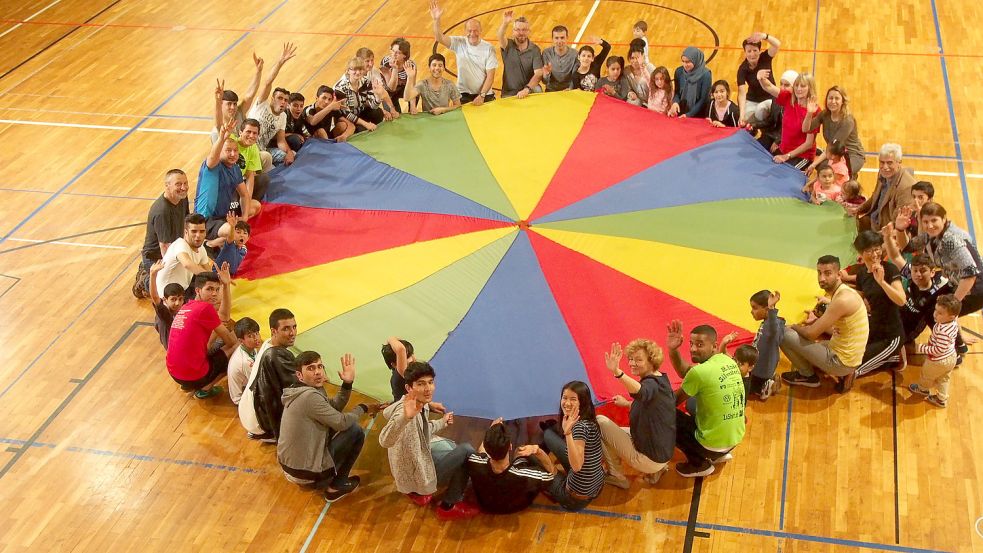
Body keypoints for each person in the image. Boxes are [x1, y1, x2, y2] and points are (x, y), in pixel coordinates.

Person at [379, 362, 479, 521]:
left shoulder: (417, 403)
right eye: (421, 384)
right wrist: (405, 418)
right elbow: (385, 440)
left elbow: (423, 431)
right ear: (409, 388)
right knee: (466, 452)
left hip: (419, 459)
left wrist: (442, 422)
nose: (428, 388)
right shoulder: (405, 413)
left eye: (430, 382)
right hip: (417, 473)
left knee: (455, 448)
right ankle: (449, 506)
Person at [278, 351, 384, 501]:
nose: (317, 372)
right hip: (305, 473)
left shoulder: (300, 390)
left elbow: (333, 407)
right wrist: (363, 407)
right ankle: (336, 486)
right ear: (299, 375)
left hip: (292, 467)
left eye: (320, 366)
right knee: (355, 431)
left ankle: (329, 478)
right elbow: (342, 422)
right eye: (311, 368)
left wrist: (347, 384)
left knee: (340, 427)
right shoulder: (309, 397)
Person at [666, 322, 745, 477]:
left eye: (700, 344)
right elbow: (686, 373)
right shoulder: (728, 361)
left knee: (663, 414)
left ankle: (698, 464)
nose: (693, 349)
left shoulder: (700, 373)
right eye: (691, 344)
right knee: (692, 402)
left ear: (714, 346)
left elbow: (671, 403)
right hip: (734, 440)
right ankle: (719, 455)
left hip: (712, 446)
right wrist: (673, 349)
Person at [780, 255, 870, 392]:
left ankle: (807, 376)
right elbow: (841, 327)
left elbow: (810, 334)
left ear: (839, 274)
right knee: (809, 344)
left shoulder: (842, 300)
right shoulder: (845, 292)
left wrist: (793, 326)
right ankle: (842, 372)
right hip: (844, 351)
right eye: (819, 273)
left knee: (783, 333)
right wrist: (816, 321)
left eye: (827, 273)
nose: (822, 278)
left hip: (841, 361)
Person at [596, 340, 675, 489]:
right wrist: (627, 403)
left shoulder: (650, 385)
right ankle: (657, 470)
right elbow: (650, 404)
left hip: (650, 458)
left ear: (651, 361)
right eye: (631, 359)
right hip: (661, 454)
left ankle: (617, 476)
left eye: (638, 360)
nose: (632, 363)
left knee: (599, 423)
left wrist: (617, 372)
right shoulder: (662, 379)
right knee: (613, 431)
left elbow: (642, 391)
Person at [901, 202, 983, 318]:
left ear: (944, 219)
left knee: (940, 315)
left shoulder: (951, 239)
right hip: (956, 280)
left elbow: (970, 273)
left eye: (934, 220)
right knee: (930, 308)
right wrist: (900, 229)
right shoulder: (932, 235)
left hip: (974, 289)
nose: (930, 226)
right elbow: (908, 247)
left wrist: (952, 303)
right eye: (926, 222)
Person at [166, 270, 237, 399]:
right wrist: (226, 286)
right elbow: (230, 340)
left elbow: (221, 318)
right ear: (198, 290)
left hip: (174, 373)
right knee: (237, 345)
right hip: (192, 375)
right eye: (209, 289)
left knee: (216, 341)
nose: (214, 293)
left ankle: (190, 385)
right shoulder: (205, 308)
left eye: (217, 289)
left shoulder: (187, 306)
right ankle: (205, 387)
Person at [466, 419, 555, 514]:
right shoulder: (524, 475)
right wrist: (537, 450)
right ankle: (522, 425)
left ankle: (521, 425)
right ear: (510, 446)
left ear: (486, 447)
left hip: (486, 505)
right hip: (515, 507)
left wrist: (492, 432)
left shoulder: (473, 460)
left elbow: (481, 452)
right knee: (520, 452)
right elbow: (550, 475)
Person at [541, 381, 604, 510]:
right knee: (548, 433)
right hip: (596, 486)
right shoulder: (589, 420)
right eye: (564, 398)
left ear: (582, 402)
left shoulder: (579, 428)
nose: (567, 403)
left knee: (534, 458)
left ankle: (554, 492)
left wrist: (568, 432)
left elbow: (576, 467)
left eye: (573, 399)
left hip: (574, 499)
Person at [882, 229, 948, 353]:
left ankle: (904, 352)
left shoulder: (936, 296)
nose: (918, 274)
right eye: (915, 270)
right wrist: (887, 237)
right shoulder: (911, 276)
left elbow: (949, 318)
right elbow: (895, 256)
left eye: (923, 270)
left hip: (906, 332)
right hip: (893, 319)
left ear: (932, 272)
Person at [852, 230, 907, 377]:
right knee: (848, 357)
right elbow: (859, 298)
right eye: (868, 251)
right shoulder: (861, 274)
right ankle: (890, 357)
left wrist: (882, 282)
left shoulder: (890, 270)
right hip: (873, 327)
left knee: (852, 371)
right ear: (860, 253)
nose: (875, 254)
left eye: (877, 249)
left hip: (891, 335)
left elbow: (901, 301)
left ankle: (896, 356)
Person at [195, 119, 258, 245]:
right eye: (228, 150)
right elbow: (213, 156)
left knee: (255, 206)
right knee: (235, 233)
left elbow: (244, 195)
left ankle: (219, 240)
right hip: (205, 220)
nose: (233, 154)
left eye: (235, 150)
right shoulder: (212, 166)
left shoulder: (235, 169)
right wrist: (222, 138)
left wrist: (244, 218)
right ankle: (209, 244)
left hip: (224, 215)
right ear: (220, 152)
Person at [134, 169, 190, 299]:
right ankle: (145, 281)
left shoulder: (182, 198)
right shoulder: (162, 211)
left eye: (185, 183)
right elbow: (164, 247)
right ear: (167, 185)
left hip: (174, 247)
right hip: (156, 257)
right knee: (167, 292)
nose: (183, 187)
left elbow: (186, 222)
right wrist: (171, 269)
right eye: (178, 184)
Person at [430, 0, 497, 105]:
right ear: (465, 31)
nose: (472, 34)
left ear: (481, 30)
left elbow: (490, 76)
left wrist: (482, 95)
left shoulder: (489, 48)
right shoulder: (459, 42)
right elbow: (439, 37)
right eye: (469, 31)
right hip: (463, 94)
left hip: (485, 94)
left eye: (475, 30)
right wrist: (436, 19)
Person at [247, 43, 298, 167]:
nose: (283, 102)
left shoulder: (283, 117)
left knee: (293, 154)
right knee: (268, 161)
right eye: (280, 98)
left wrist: (289, 152)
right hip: (249, 149)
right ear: (272, 99)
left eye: (286, 100)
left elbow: (281, 140)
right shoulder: (262, 104)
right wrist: (280, 62)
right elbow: (267, 82)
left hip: (263, 150)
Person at [758, 70, 820, 169]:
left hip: (802, 156)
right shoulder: (788, 98)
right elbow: (768, 87)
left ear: (810, 88)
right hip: (784, 150)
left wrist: (787, 156)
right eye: (796, 85)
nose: (799, 89)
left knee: (784, 176)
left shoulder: (815, 110)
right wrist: (760, 78)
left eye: (803, 86)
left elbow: (808, 144)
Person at [908, 294, 961, 408]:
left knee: (926, 376)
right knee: (944, 378)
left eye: (940, 313)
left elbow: (937, 350)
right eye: (935, 310)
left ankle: (923, 389)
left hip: (938, 360)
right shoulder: (952, 322)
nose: (935, 314)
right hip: (951, 357)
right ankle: (941, 399)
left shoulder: (943, 331)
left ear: (951, 316)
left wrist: (920, 348)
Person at [803, 86, 865, 177]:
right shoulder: (825, 114)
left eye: (837, 99)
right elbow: (806, 129)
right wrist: (809, 113)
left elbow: (833, 146)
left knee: (832, 172)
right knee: (823, 168)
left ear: (842, 101)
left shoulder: (847, 121)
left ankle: (850, 179)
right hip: (834, 152)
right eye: (830, 98)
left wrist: (813, 164)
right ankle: (849, 177)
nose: (833, 101)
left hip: (851, 155)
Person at [856, 143, 916, 231]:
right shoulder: (882, 173)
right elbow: (874, 198)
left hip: (884, 229)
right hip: (873, 220)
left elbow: (896, 222)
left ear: (899, 162)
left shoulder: (906, 187)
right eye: (882, 162)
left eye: (889, 163)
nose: (885, 167)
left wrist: (880, 236)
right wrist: (858, 210)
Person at [210, 53, 264, 145]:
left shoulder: (239, 112)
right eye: (229, 104)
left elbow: (250, 95)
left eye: (235, 104)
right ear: (221, 105)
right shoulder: (219, 127)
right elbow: (218, 123)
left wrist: (258, 71)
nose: (233, 107)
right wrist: (217, 100)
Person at [155, 213, 212, 295]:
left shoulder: (201, 249)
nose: (198, 235)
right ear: (186, 232)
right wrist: (214, 278)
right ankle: (145, 282)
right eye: (194, 231)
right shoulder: (180, 245)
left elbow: (208, 271)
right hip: (167, 296)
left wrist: (220, 281)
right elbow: (187, 264)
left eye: (202, 231)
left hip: (183, 289)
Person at [744, 290, 784, 399]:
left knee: (745, 389)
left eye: (755, 308)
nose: (751, 311)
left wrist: (772, 309)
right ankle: (768, 380)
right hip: (758, 367)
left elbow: (773, 330)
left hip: (761, 370)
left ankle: (768, 385)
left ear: (766, 309)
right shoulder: (766, 322)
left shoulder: (772, 325)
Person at [335, 57, 390, 132]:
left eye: (360, 69)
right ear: (348, 71)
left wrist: (377, 97)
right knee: (362, 129)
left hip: (360, 112)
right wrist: (366, 124)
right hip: (347, 118)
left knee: (378, 113)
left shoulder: (366, 82)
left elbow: (373, 106)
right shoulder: (340, 88)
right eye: (354, 70)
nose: (358, 72)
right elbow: (346, 114)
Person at [736, 32, 780, 126]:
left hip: (770, 98)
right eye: (749, 51)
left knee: (761, 110)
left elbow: (777, 44)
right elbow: (742, 94)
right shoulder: (742, 69)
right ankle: (753, 130)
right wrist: (742, 115)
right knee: (744, 120)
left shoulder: (765, 58)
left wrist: (765, 36)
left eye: (755, 50)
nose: (752, 54)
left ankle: (764, 129)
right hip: (752, 100)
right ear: (745, 52)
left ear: (759, 51)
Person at [497, 11, 543, 98]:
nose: (521, 33)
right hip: (509, 91)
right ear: (513, 31)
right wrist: (505, 23)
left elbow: (538, 73)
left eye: (524, 30)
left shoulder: (534, 49)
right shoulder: (507, 45)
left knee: (538, 90)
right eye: (517, 29)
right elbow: (500, 36)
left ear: (529, 31)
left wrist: (527, 89)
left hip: (529, 89)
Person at [148, 260, 185, 350]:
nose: (177, 303)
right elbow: (155, 297)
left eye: (180, 299)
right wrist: (153, 275)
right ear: (165, 299)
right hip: (175, 351)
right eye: (173, 299)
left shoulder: (183, 309)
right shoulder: (165, 313)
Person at [668, 47, 711, 118]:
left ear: (695, 61)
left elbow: (703, 99)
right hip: (682, 110)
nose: (685, 65)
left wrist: (689, 114)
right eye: (683, 61)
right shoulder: (679, 72)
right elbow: (677, 92)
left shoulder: (706, 75)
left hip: (699, 113)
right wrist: (675, 102)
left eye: (688, 62)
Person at [227, 317, 262, 405]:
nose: (256, 338)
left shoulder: (249, 348)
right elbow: (256, 383)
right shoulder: (245, 361)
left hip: (246, 383)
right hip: (241, 399)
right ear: (241, 341)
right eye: (250, 336)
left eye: (257, 333)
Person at [541, 26, 579, 92]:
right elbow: (545, 82)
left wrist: (570, 88)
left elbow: (575, 77)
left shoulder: (575, 54)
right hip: (551, 90)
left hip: (568, 90)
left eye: (562, 38)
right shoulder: (546, 53)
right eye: (556, 38)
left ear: (567, 38)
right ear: (552, 39)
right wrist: (545, 75)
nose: (559, 41)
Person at [380, 38, 411, 113]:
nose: (394, 55)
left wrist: (412, 107)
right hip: (389, 93)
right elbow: (391, 88)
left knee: (416, 94)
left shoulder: (410, 65)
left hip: (403, 89)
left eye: (398, 53)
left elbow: (412, 88)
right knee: (395, 116)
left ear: (404, 55)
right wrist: (395, 68)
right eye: (393, 51)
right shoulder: (385, 62)